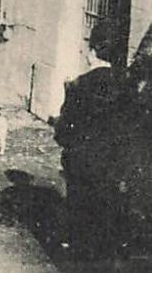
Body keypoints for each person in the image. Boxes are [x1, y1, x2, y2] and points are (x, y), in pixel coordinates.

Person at [54, 20, 133, 262]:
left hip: (82, 164)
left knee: (81, 219)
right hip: (114, 165)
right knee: (108, 220)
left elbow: (63, 133)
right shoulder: (127, 85)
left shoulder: (79, 85)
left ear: (92, 52)